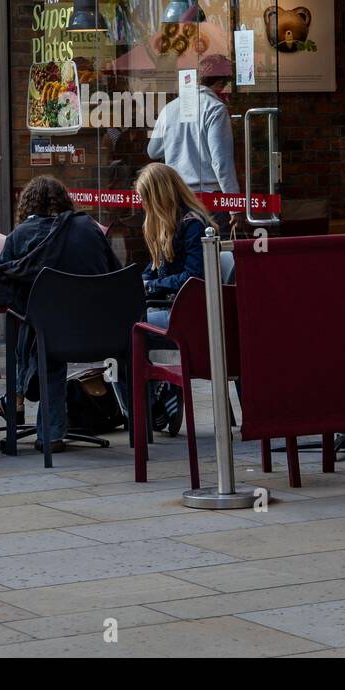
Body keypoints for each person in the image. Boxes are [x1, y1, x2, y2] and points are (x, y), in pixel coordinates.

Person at [0, 176, 120, 452]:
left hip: (52, 338)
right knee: (45, 325)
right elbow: (114, 274)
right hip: (104, 334)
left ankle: (33, 416)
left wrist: (27, 306)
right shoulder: (89, 228)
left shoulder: (21, 235)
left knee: (40, 329)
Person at [137, 162, 212, 433]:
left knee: (130, 329)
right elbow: (157, 268)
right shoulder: (164, 224)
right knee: (127, 323)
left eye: (145, 198)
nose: (142, 204)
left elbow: (195, 278)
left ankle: (158, 395)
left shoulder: (192, 225)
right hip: (170, 305)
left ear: (159, 197)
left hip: (190, 313)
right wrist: (143, 280)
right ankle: (158, 395)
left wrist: (152, 286)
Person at [146, 55, 239, 197]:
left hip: (177, 193)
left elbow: (153, 151)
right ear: (220, 82)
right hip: (208, 195)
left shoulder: (169, 109)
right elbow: (221, 161)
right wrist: (234, 202)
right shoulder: (215, 108)